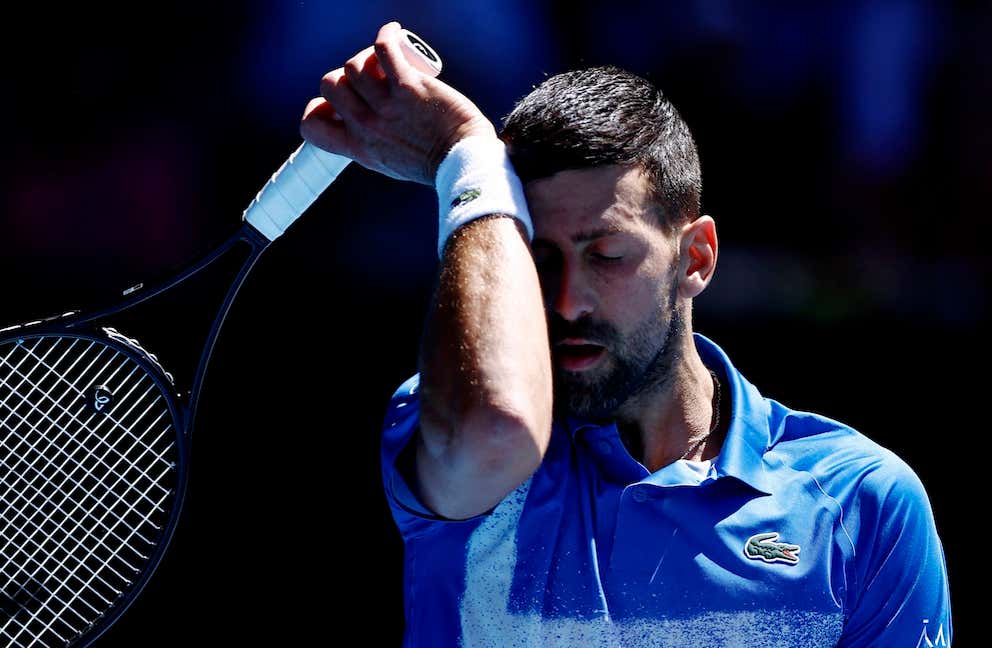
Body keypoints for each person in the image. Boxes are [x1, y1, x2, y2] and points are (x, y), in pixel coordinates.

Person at [301, 21, 952, 647]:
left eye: (607, 255)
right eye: (538, 256)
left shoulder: (861, 502)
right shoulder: (440, 414)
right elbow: (495, 429)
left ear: (695, 258)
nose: (567, 302)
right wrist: (465, 156)